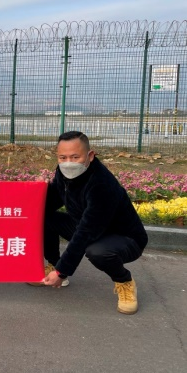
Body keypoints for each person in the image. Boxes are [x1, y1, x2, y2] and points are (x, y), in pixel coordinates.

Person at [31, 131, 148, 315]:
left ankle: (124, 281)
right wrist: (41, 191)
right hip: (89, 228)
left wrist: (63, 271)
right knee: (44, 217)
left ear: (90, 155)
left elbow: (86, 231)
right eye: (63, 157)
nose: (68, 162)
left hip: (124, 237)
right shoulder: (63, 172)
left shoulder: (101, 185)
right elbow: (52, 202)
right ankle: (54, 264)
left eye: (75, 157)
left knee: (97, 252)